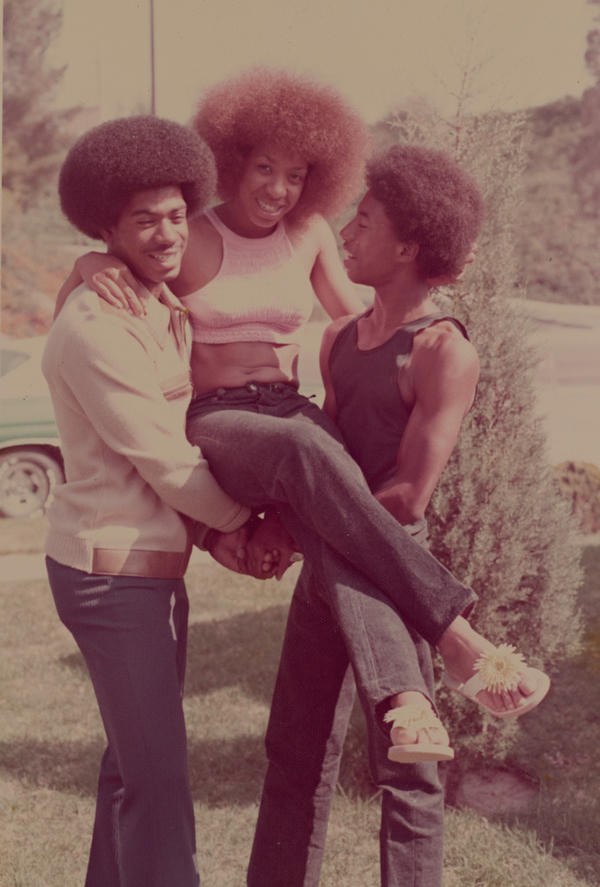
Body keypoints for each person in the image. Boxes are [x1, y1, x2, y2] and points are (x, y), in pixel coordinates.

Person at [58, 71, 548, 769]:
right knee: (308, 452)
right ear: (232, 161)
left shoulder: (311, 233)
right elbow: (130, 265)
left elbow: (368, 321)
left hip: (290, 413)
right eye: (265, 168)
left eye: (296, 175)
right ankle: (455, 633)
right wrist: (87, 262)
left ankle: (406, 701)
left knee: (341, 521)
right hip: (221, 420)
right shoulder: (189, 234)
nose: (279, 189)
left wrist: (438, 283)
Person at [248, 144, 534, 886]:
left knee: (409, 770)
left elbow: (408, 495)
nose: (345, 232)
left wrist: (309, 523)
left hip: (390, 572)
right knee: (293, 757)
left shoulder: (442, 351)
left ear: (409, 247)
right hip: (330, 568)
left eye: (365, 220)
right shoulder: (338, 338)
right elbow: (327, 463)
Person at [42, 115, 278, 887]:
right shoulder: (97, 324)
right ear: (105, 227)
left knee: (131, 768)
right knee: (160, 785)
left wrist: (210, 536)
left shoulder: (156, 301)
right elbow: (167, 463)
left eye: (177, 214)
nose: (168, 233)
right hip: (110, 575)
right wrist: (243, 527)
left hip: (148, 571)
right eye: (144, 219)